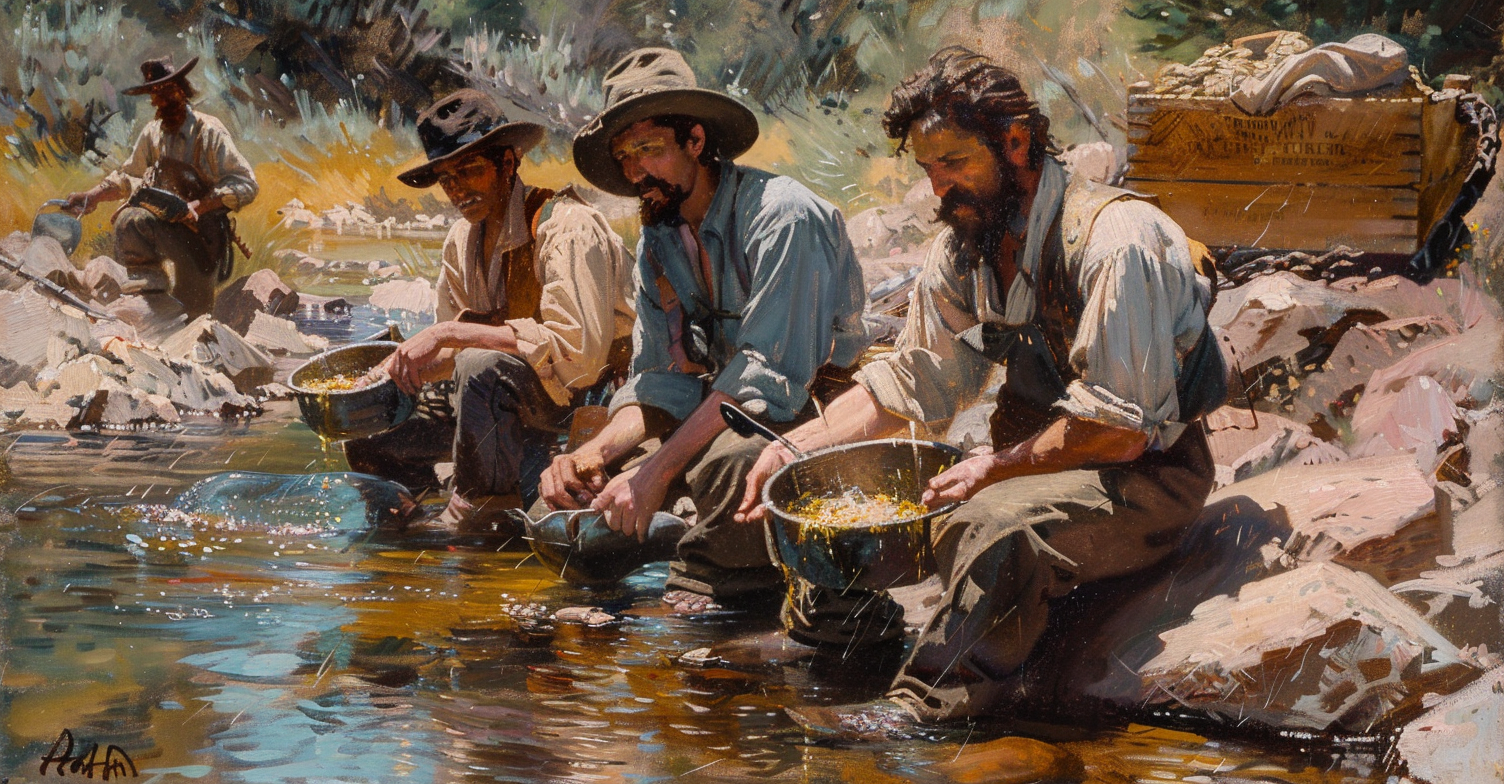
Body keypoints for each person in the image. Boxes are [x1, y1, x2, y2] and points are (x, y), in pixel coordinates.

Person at [735, 47, 1228, 737]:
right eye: (928, 170)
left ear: (1017, 142)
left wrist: (994, 469)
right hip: (1040, 462)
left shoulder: (1117, 240)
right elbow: (915, 381)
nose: (939, 188)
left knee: (989, 521)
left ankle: (929, 709)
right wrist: (794, 448)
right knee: (836, 488)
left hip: (1143, 476)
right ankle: (835, 640)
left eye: (955, 163)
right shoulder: (965, 248)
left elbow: (1120, 429)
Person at [535, 48, 869, 610]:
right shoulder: (659, 242)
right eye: (624, 157)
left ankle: (723, 592)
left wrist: (656, 473)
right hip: (724, 405)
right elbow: (661, 379)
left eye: (648, 150)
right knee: (565, 497)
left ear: (694, 140)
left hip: (818, 406)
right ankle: (675, 542)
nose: (635, 172)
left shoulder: (782, 217)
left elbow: (767, 378)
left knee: (730, 465)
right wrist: (595, 454)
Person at [345, 89, 636, 532]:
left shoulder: (567, 226)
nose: (457, 189)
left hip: (591, 399)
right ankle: (402, 518)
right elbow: (448, 359)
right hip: (508, 398)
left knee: (482, 364)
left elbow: (579, 359)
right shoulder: (461, 242)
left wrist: (449, 335)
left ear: (507, 164)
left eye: (470, 170)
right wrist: (391, 372)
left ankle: (480, 512)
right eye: (447, 179)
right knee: (374, 416)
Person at [65, 55, 258, 319]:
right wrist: (92, 196)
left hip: (203, 237)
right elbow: (127, 176)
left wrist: (201, 204)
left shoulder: (209, 132)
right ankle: (145, 289)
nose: (159, 100)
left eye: (166, 91)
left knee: (194, 315)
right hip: (164, 229)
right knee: (129, 220)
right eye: (154, 94)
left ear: (182, 89)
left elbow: (246, 183)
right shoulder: (153, 133)